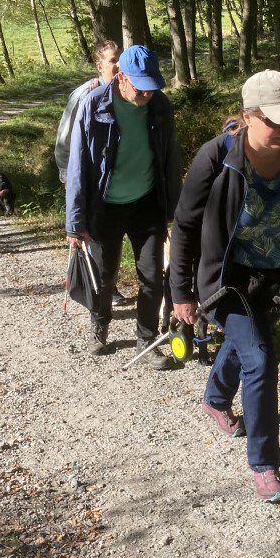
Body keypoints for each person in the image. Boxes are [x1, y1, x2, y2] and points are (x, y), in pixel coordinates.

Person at [169, 70, 280, 503]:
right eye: (274, 121)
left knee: (250, 343)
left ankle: (215, 399)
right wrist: (180, 291)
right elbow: (185, 225)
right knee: (262, 357)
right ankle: (265, 464)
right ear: (248, 116)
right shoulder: (216, 158)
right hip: (228, 281)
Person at [65, 45, 182, 370]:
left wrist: (175, 211)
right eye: (140, 83)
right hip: (106, 205)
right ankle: (99, 326)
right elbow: (78, 165)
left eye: (152, 84)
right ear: (121, 76)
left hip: (147, 202)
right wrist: (75, 222)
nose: (147, 91)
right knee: (104, 275)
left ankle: (147, 340)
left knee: (152, 277)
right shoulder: (94, 104)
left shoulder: (159, 105)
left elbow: (171, 158)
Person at [55, 40, 125, 305]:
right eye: (113, 60)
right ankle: (92, 289)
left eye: (121, 59)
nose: (118, 65)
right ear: (100, 66)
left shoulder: (129, 92)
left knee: (109, 240)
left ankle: (108, 285)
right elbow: (64, 141)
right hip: (88, 178)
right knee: (91, 236)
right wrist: (66, 175)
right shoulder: (84, 95)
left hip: (119, 180)